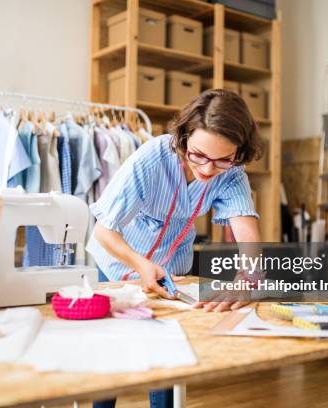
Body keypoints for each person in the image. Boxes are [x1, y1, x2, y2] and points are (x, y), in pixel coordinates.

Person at [86, 89, 263, 408]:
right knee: (111, 350)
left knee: (167, 349)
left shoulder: (232, 171)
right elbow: (103, 230)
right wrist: (140, 265)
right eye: (199, 155)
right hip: (117, 259)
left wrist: (249, 276)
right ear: (183, 138)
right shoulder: (151, 160)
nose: (208, 169)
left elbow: (245, 225)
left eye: (222, 159)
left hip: (172, 268)